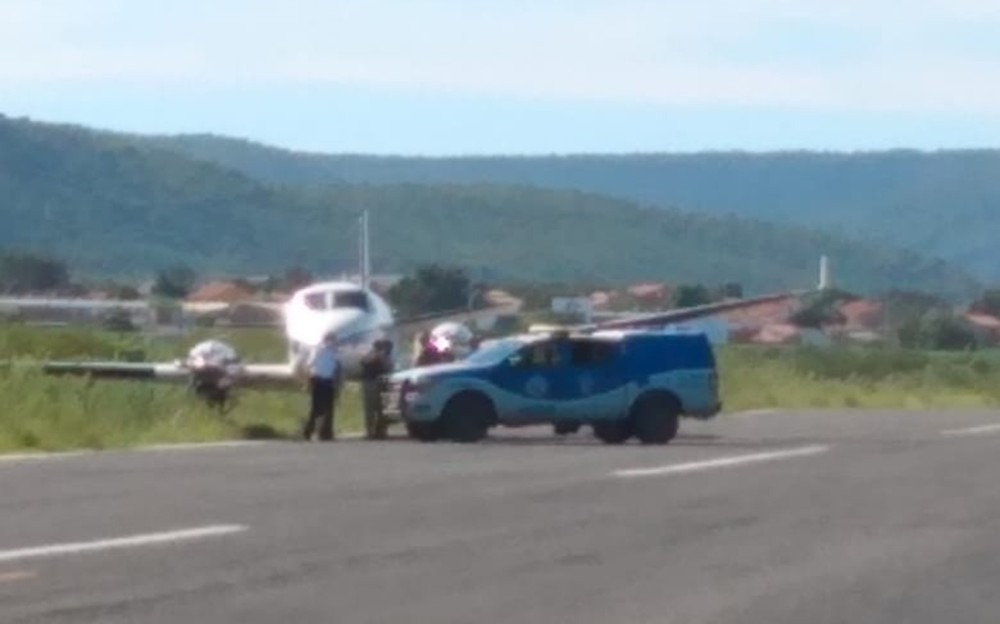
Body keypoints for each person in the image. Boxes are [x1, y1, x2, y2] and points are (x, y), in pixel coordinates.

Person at [302, 331, 340, 441]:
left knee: (327, 408)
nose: (333, 342)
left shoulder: (332, 351)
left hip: (327, 381)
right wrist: (308, 381)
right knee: (317, 409)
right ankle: (309, 431)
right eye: (332, 340)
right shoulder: (319, 350)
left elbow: (335, 367)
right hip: (319, 380)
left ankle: (325, 432)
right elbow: (310, 365)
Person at [360, 339, 394, 440]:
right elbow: (364, 361)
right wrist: (376, 355)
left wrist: (381, 357)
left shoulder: (386, 356)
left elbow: (389, 367)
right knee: (370, 408)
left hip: (381, 382)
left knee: (382, 408)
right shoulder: (370, 355)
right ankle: (370, 431)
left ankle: (381, 431)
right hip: (371, 382)